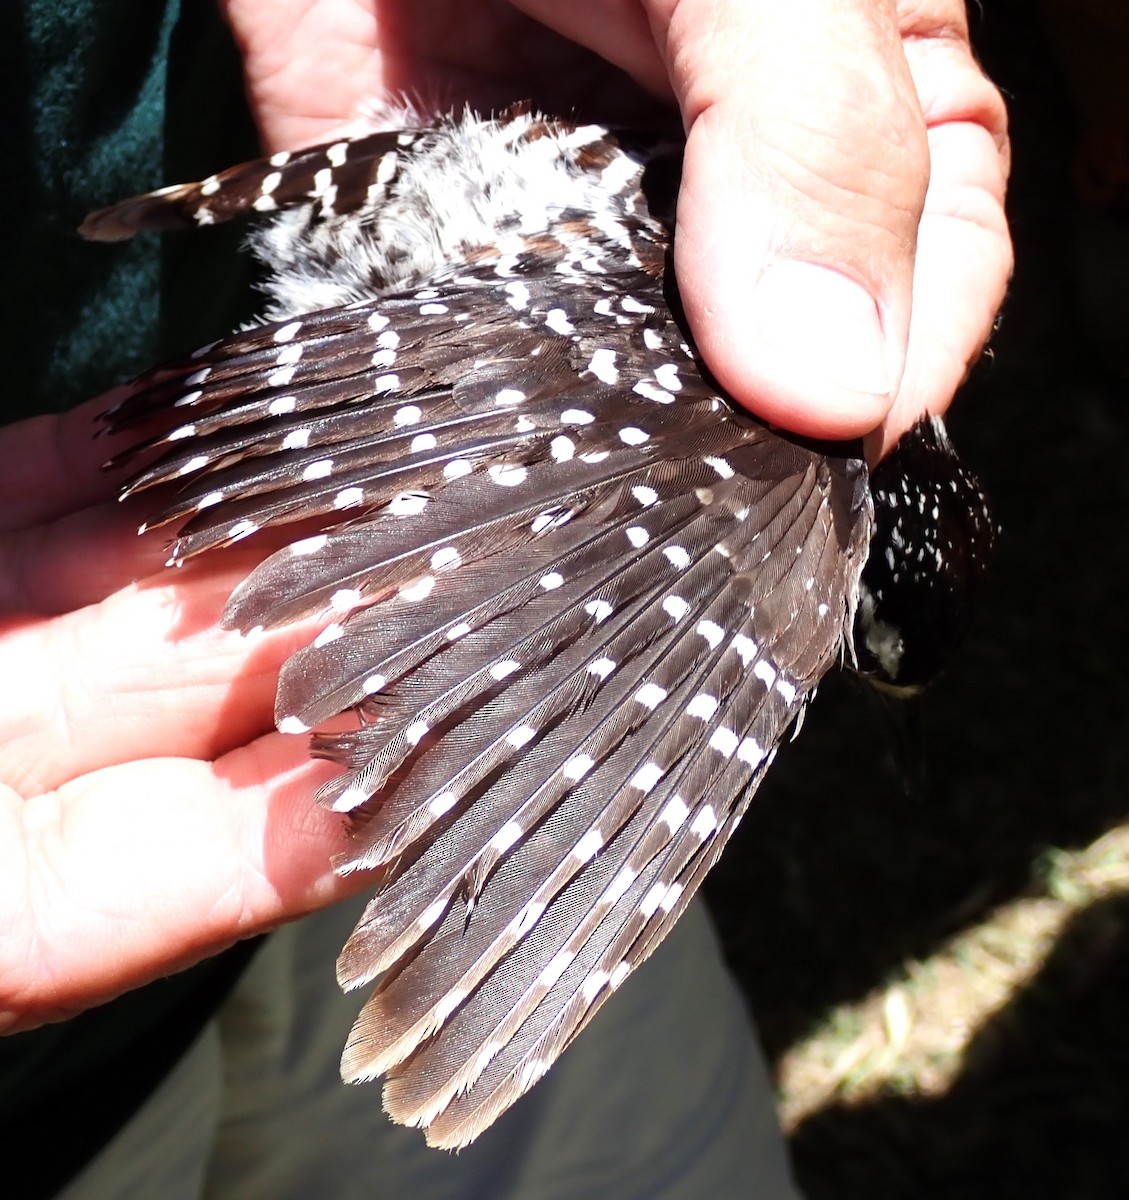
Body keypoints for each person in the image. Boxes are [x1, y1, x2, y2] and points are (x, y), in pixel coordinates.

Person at [0, 1, 1011, 1195]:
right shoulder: (784, 488)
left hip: (285, 746)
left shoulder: (774, 450)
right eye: (848, 642)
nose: (807, 651)